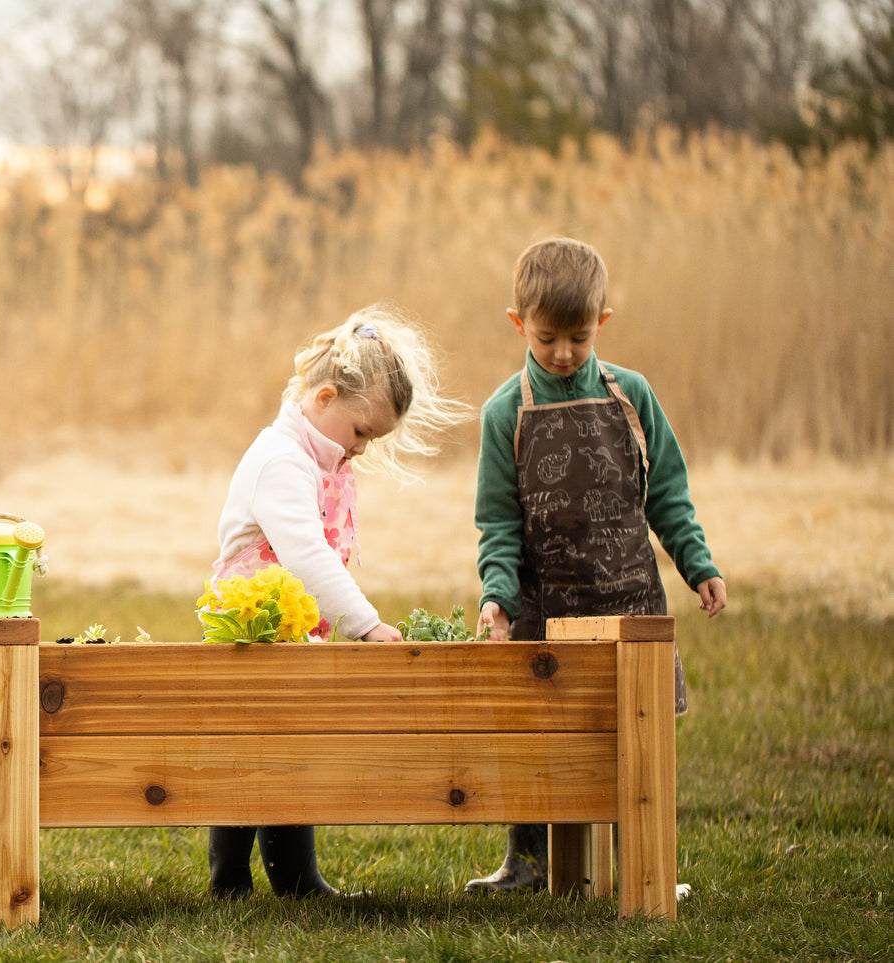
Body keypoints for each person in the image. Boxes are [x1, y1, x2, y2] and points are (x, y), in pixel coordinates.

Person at [466, 236, 727, 893]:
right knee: (534, 731)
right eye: (547, 336)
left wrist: (697, 563)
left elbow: (665, 490)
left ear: (601, 323)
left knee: (632, 735)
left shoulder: (631, 394)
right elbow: (497, 521)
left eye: (577, 338)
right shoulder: (506, 412)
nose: (561, 353)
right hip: (544, 605)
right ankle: (526, 862)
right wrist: (496, 594)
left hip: (627, 602)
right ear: (517, 322)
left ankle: (642, 864)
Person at [205, 303, 465, 899]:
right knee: (249, 753)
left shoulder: (313, 456)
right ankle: (229, 881)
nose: (363, 449)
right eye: (361, 433)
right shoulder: (280, 461)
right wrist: (366, 625)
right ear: (324, 399)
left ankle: (298, 880)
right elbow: (305, 554)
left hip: (291, 635)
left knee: (293, 752)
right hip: (254, 633)